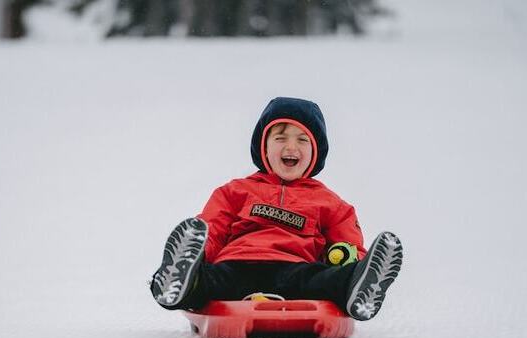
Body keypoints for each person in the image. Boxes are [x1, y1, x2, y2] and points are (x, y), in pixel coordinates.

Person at [150, 97, 402, 321]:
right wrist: (200, 253)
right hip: (238, 266)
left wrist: (350, 257)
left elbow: (349, 244)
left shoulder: (330, 204)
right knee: (209, 282)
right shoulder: (235, 191)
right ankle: (181, 279)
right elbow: (213, 230)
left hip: (295, 269)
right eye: (280, 138)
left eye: (302, 140)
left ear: (315, 152)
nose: (291, 147)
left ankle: (360, 285)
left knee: (324, 280)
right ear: (264, 148)